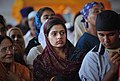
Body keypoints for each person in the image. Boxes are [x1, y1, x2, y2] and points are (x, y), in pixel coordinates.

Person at [79, 10, 120, 81]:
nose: (106, 40)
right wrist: (112, 71)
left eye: (111, 34)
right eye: (101, 35)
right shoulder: (93, 58)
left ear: (119, 32)